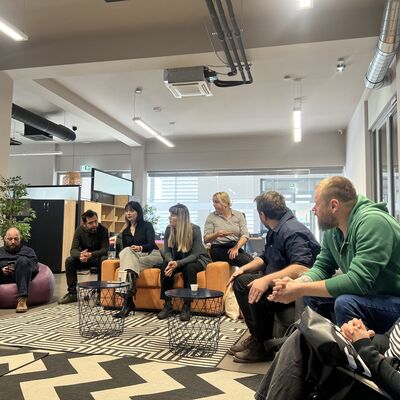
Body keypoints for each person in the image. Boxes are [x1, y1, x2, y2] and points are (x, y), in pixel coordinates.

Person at [269, 176, 400, 334]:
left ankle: (357, 349)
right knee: (311, 295)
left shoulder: (373, 222)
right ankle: (321, 346)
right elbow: (323, 266)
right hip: (371, 296)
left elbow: (358, 282)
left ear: (333, 205)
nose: (313, 209)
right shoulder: (333, 230)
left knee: (346, 303)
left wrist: (299, 288)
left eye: (316, 203)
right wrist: (298, 283)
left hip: (394, 301)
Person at [227, 191, 321, 363]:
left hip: (295, 288)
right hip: (278, 281)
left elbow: (302, 267)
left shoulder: (292, 231)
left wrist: (265, 280)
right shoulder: (275, 230)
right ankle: (257, 336)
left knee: (256, 289)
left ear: (262, 215)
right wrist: (243, 269)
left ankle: (263, 348)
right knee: (241, 281)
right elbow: (265, 258)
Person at [255, 316, 400, 400]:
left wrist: (364, 347)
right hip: (380, 364)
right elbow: (388, 339)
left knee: (307, 341)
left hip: (387, 382)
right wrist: (363, 336)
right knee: (311, 335)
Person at [157, 203, 211, 322]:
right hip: (178, 260)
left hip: (197, 260)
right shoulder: (169, 229)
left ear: (181, 217)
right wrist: (171, 261)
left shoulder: (195, 229)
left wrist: (178, 263)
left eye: (172, 215)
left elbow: (195, 255)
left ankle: (187, 306)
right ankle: (167, 304)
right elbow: (166, 251)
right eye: (170, 214)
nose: (169, 217)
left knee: (189, 268)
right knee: (165, 266)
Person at [113, 201, 163, 318]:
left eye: (131, 211)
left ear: (138, 212)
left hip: (151, 254)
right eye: (126, 211)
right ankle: (129, 300)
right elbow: (127, 251)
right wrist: (133, 250)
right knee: (126, 251)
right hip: (135, 257)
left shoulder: (147, 225)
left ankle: (128, 301)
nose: (128, 213)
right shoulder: (125, 232)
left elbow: (151, 244)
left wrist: (140, 247)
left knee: (127, 265)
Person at [59, 209, 109, 304]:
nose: (94, 225)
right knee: (69, 260)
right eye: (90, 223)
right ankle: (72, 294)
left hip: (97, 257)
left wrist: (91, 254)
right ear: (84, 224)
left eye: (95, 221)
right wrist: (80, 255)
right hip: (84, 259)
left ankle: (100, 293)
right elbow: (73, 249)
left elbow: (105, 249)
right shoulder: (79, 230)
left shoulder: (103, 230)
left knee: (104, 260)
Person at [204, 191, 253, 266]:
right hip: (218, 248)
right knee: (246, 262)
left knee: (254, 262)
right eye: (213, 202)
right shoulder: (211, 217)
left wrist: (236, 248)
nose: (213, 205)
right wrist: (217, 234)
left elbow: (245, 235)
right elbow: (206, 239)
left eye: (216, 202)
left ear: (226, 203)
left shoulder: (238, 215)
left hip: (234, 246)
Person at [0, 227, 38, 313]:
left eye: (16, 239)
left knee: (23, 260)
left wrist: (18, 268)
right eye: (10, 239)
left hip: (22, 277)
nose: (13, 242)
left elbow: (35, 268)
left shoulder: (28, 251)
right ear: (5, 239)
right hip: (2, 277)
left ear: (20, 239)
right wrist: (2, 270)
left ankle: (22, 300)